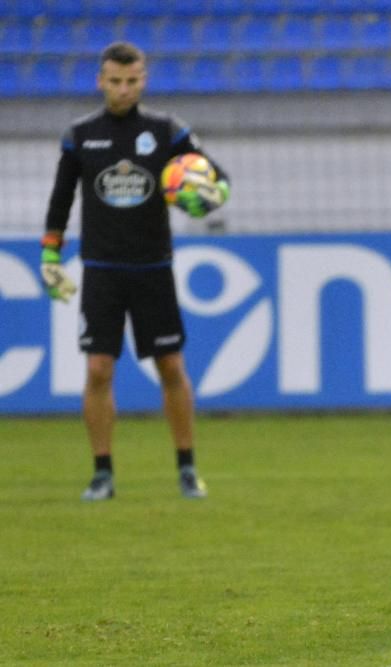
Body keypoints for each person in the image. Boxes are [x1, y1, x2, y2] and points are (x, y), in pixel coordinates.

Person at [40, 42, 230, 501]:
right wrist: (50, 259)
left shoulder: (167, 131)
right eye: (114, 81)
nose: (123, 90)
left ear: (143, 80)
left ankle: (187, 468)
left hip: (153, 269)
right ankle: (102, 473)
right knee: (99, 370)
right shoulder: (80, 135)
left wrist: (202, 192)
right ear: (100, 81)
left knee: (170, 365)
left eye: (131, 81)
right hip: (102, 270)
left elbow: (217, 180)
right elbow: (61, 200)